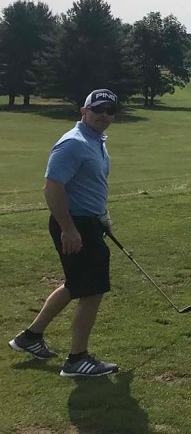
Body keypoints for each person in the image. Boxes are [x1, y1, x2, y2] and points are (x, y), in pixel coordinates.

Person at [9, 89, 120, 378]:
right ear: (84, 111)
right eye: (98, 109)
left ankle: (30, 338)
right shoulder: (73, 142)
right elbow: (52, 187)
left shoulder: (97, 141)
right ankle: (77, 359)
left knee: (76, 284)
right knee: (93, 288)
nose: (104, 115)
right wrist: (69, 229)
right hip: (74, 224)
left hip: (88, 222)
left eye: (110, 111)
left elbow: (88, 186)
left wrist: (101, 217)